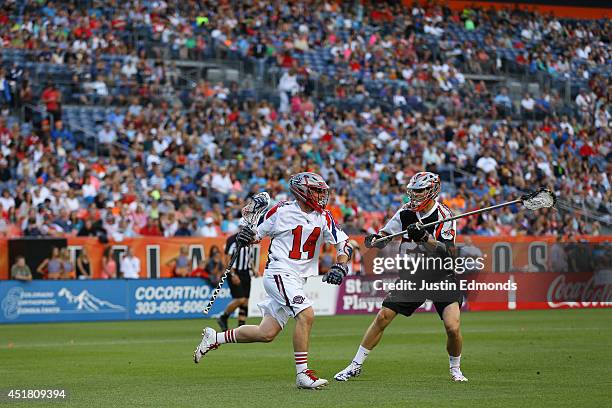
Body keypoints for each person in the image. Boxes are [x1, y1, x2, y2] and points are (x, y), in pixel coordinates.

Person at [194, 172, 353, 390]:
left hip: (298, 278)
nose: (321, 196)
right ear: (302, 191)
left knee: (266, 333)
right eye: (316, 191)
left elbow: (344, 244)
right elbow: (257, 235)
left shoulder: (324, 216)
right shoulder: (281, 211)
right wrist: (245, 236)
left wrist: (341, 265)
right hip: (279, 272)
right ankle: (303, 374)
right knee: (306, 315)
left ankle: (215, 338)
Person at [335, 171, 468, 383]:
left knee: (452, 327)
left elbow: (448, 251)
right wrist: (378, 240)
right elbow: (386, 234)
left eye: (419, 191)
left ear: (432, 191)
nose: (414, 195)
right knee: (382, 317)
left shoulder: (445, 215)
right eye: (413, 191)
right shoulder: (404, 213)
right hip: (413, 275)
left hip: (440, 275)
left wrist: (425, 238)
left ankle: (455, 369)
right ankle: (354, 365)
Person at [216, 230, 257, 330]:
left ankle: (241, 326)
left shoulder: (250, 239)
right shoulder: (232, 240)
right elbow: (227, 258)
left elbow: (249, 256)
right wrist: (233, 274)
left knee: (246, 300)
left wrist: (253, 268)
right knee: (240, 299)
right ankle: (223, 317)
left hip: (246, 272)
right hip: (235, 271)